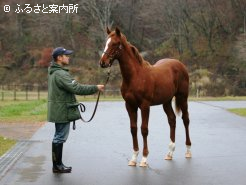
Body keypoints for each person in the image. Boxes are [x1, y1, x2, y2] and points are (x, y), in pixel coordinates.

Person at [47, 47, 104, 173]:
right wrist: (95, 88)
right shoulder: (61, 74)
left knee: (58, 136)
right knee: (59, 137)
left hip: (59, 109)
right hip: (62, 110)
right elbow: (77, 88)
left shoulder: (54, 71)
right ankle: (57, 166)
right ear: (59, 58)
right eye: (66, 55)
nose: (68, 57)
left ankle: (58, 164)